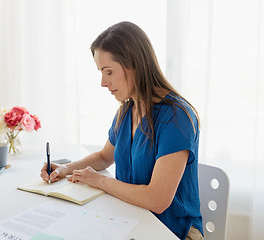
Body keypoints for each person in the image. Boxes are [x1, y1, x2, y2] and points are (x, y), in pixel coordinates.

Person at [41, 21, 203, 240]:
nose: (103, 83)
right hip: (130, 221)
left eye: (108, 72)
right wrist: (65, 168)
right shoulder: (127, 110)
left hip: (172, 232)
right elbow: (103, 157)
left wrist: (100, 181)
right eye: (101, 72)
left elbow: (157, 199)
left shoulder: (176, 118)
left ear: (134, 64)